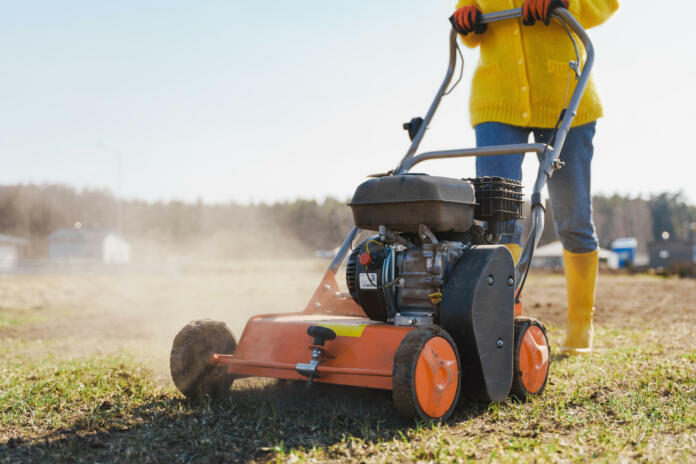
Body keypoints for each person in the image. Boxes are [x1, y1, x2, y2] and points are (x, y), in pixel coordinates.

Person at [450, 0, 619, 354]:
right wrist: (468, 18)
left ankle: (579, 323)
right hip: (498, 99)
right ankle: (501, 317)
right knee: (499, 217)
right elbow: (470, 24)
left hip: (565, 95)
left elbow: (606, 3)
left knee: (573, 216)